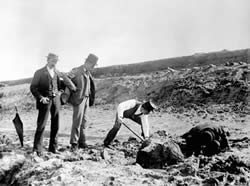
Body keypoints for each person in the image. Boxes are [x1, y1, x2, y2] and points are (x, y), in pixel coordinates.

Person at [30, 53, 76, 156]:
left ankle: (53, 148)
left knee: (55, 125)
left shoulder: (58, 73)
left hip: (56, 101)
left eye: (56, 61)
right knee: (41, 125)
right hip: (45, 101)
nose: (54, 63)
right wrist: (41, 98)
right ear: (48, 60)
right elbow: (33, 87)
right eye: (53, 61)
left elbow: (63, 86)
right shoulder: (39, 72)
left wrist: (60, 93)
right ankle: (37, 149)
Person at [60, 53, 98, 151]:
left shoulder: (88, 72)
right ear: (88, 63)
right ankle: (74, 143)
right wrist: (73, 88)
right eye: (93, 65)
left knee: (84, 122)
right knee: (77, 121)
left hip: (86, 99)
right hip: (78, 99)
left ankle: (82, 142)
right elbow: (65, 77)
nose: (93, 67)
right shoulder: (77, 70)